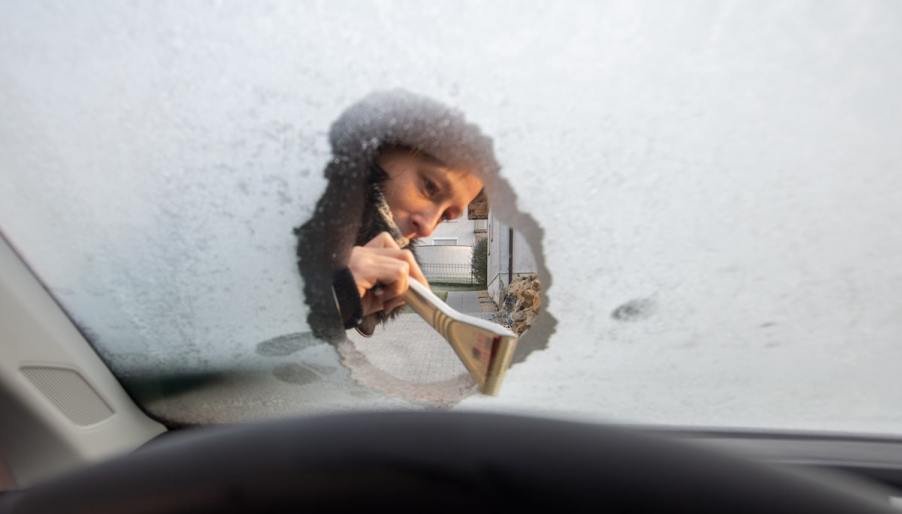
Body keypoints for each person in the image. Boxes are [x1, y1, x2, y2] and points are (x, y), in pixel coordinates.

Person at [295, 90, 498, 341]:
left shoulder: (339, 266)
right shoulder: (282, 194)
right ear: (383, 145)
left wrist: (337, 304)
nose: (427, 227)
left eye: (446, 216)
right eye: (430, 187)